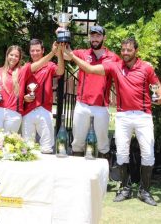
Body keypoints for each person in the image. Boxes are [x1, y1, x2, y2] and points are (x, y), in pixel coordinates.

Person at [64, 37, 161, 206]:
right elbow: (90, 68)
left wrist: (159, 96)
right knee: (122, 153)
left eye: (129, 50)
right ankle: (125, 188)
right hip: (123, 115)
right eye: (123, 50)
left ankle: (144, 191)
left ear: (136, 51)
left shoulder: (146, 68)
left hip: (143, 116)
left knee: (148, 154)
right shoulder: (115, 66)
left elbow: (157, 85)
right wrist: (72, 55)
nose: (125, 53)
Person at [58, 25, 120, 157]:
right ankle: (78, 176)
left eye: (98, 36)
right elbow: (65, 54)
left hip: (101, 107)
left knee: (103, 145)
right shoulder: (83, 53)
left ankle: (105, 175)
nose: (95, 39)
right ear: (89, 37)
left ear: (104, 37)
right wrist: (61, 36)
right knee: (77, 143)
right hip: (82, 105)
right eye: (92, 35)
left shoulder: (113, 57)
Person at [0, 43, 59, 134]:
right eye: (11, 55)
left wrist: (52, 53)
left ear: (19, 58)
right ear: (7, 55)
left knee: (8, 144)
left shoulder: (23, 71)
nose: (13, 58)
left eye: (16, 56)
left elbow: (39, 63)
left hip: (13, 113)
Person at [22, 39, 64, 154]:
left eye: (37, 50)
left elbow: (60, 71)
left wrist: (59, 52)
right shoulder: (26, 66)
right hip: (28, 110)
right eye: (32, 51)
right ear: (29, 52)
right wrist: (52, 53)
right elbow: (34, 68)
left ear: (42, 50)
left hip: (44, 109)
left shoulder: (49, 65)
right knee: (27, 147)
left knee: (47, 147)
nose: (35, 53)